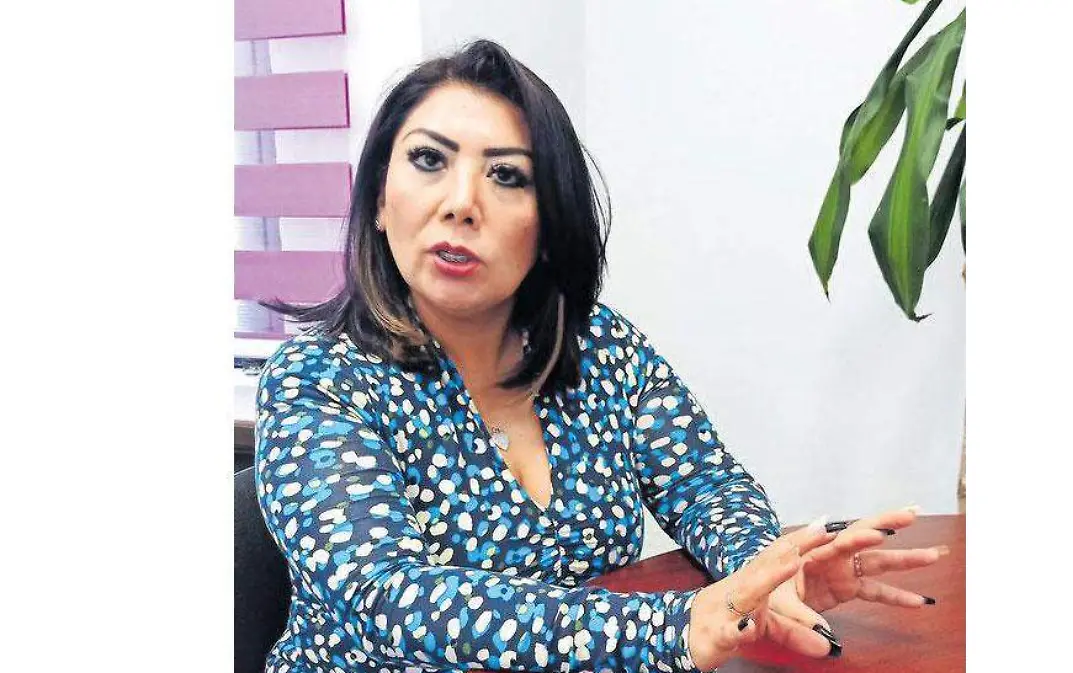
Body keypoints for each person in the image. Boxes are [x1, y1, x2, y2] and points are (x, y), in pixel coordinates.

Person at [254, 39, 949, 673]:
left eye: (507, 176)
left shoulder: (598, 347)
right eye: (429, 160)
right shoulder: (316, 380)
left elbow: (704, 482)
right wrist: (675, 626)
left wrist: (762, 574)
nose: (461, 203)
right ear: (379, 199)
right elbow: (389, 596)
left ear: (549, 224)